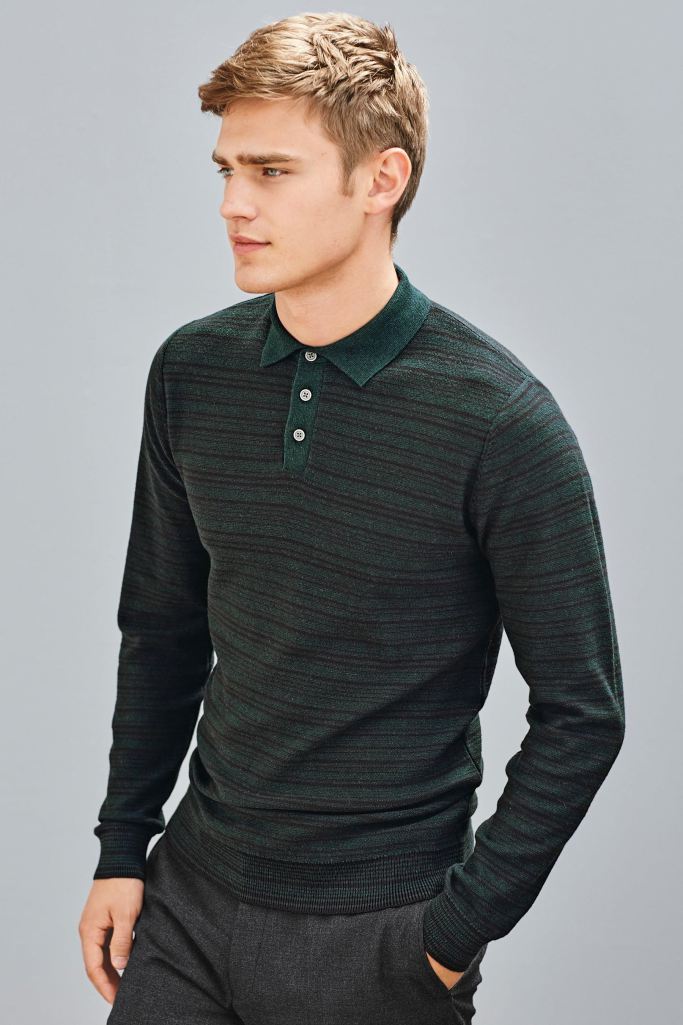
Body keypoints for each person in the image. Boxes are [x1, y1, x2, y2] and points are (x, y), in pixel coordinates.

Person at [78, 12, 626, 1025]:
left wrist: (452, 935)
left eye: (272, 171)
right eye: (226, 169)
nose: (233, 202)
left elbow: (583, 711)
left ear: (382, 179)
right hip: (188, 901)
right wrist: (122, 847)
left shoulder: (498, 419)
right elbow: (161, 629)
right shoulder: (191, 372)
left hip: (378, 935)